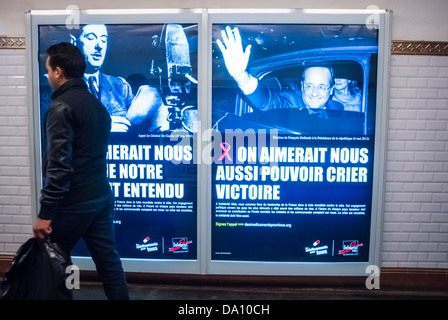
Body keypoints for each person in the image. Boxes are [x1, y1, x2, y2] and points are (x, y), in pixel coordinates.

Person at [33, 42, 129, 300]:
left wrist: (45, 214)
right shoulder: (97, 106)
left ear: (58, 71)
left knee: (57, 263)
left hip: (72, 202)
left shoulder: (60, 107)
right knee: (109, 263)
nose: (48, 75)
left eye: (48, 70)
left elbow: (59, 167)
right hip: (100, 197)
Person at [217, 26, 344, 118]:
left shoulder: (338, 108)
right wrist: (240, 76)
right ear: (302, 86)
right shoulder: (291, 102)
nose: (314, 93)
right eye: (309, 86)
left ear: (331, 89)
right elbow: (267, 102)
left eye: (322, 86)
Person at [71, 24, 168, 132]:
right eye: (91, 38)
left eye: (103, 40)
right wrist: (101, 126)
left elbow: (135, 127)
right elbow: (55, 130)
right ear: (74, 42)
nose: (99, 46)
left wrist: (158, 117)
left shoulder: (120, 86)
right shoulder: (58, 86)